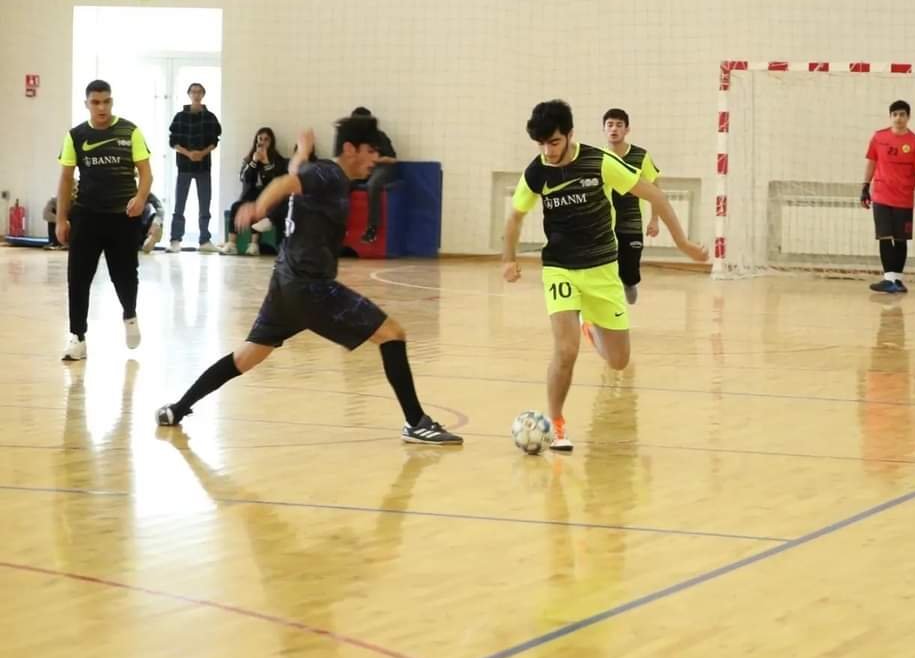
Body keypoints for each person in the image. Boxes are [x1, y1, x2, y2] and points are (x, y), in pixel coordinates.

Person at [156, 117, 462, 445]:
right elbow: (286, 183)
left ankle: (177, 409)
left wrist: (301, 153)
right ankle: (416, 422)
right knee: (392, 334)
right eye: (371, 151)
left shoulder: (323, 175)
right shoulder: (329, 174)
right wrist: (257, 206)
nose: (375, 159)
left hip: (285, 285)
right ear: (350, 149)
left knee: (246, 357)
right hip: (311, 288)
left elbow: (295, 175)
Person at [501, 100, 708, 451]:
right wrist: (508, 258)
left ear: (570, 135)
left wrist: (683, 243)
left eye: (554, 142)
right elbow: (515, 218)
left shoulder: (599, 162)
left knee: (619, 361)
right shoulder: (536, 172)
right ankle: (557, 424)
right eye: (541, 144)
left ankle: (590, 326)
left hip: (602, 270)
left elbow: (654, 194)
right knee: (565, 351)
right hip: (560, 269)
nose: (548, 151)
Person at [56, 79, 152, 361]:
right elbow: (65, 179)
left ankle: (130, 314)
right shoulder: (75, 136)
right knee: (78, 278)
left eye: (106, 101)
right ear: (86, 104)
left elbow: (146, 173)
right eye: (95, 102)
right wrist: (61, 219)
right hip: (87, 216)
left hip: (123, 217)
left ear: (112, 102)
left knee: (124, 275)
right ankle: (77, 337)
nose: (101, 107)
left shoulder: (130, 131)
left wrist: (141, 197)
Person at [861, 100, 915, 293]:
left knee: (900, 239)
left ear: (908, 117)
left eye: (902, 114)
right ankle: (889, 279)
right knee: (884, 236)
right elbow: (871, 162)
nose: (898, 118)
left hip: (903, 199)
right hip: (881, 197)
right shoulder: (878, 137)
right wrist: (865, 187)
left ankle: (897, 281)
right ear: (890, 117)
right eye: (895, 114)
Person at [602, 108, 662, 304]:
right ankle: (610, 309)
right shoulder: (599, 157)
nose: (614, 129)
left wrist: (655, 219)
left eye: (619, 125)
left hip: (631, 222)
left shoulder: (640, 156)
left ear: (627, 129)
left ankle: (629, 284)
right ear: (604, 129)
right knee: (605, 271)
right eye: (610, 125)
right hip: (604, 224)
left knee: (629, 274)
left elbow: (655, 187)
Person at [167, 82, 222, 253]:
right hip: (184, 166)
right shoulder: (180, 117)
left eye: (199, 92)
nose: (196, 94)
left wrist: (202, 153)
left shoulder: (210, 117)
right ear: (189, 94)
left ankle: (204, 240)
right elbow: (173, 142)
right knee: (180, 204)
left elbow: (214, 140)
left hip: (203, 166)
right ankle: (175, 240)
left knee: (205, 204)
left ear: (203, 94)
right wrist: (188, 154)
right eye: (193, 92)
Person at [221, 127, 289, 255]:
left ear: (271, 142)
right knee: (236, 206)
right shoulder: (249, 159)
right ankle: (231, 244)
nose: (262, 142)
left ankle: (254, 244)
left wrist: (266, 162)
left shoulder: (277, 160)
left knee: (257, 207)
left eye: (266, 139)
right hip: (250, 195)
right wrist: (254, 161)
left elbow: (277, 181)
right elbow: (244, 178)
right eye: (260, 139)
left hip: (268, 197)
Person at [350, 106, 398, 243]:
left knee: (373, 184)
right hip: (364, 168)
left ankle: (372, 227)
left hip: (382, 167)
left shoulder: (379, 136)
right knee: (342, 181)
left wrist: (374, 160)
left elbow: (392, 159)